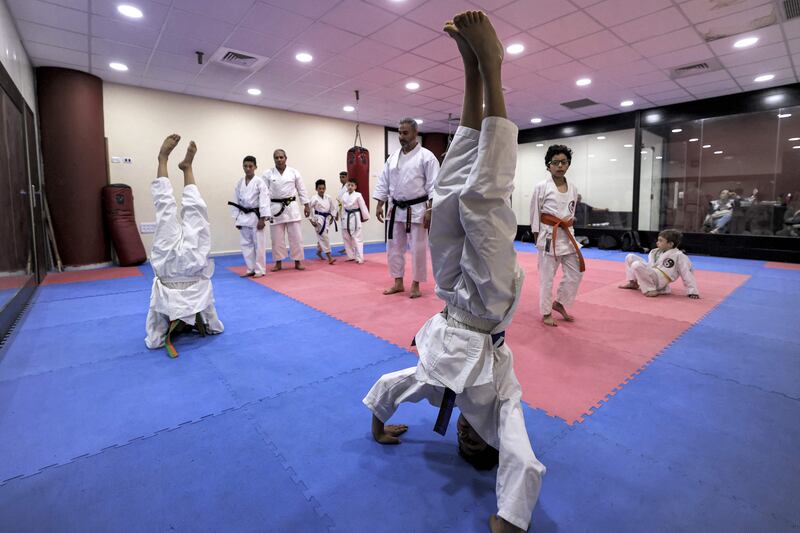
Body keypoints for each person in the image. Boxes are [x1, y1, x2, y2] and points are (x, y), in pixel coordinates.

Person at [363, 12, 544, 533]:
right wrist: (509, 519)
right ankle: (492, 66)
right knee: (484, 199)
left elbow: (397, 383)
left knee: (447, 197)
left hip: (448, 300)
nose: (466, 435)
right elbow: (525, 462)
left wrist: (378, 426)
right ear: (485, 439)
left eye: (461, 441)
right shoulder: (503, 405)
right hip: (488, 306)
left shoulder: (440, 387)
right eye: (475, 441)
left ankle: (467, 71)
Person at [145, 134, 224, 357]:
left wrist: (158, 336)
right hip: (186, 266)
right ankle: (171, 162)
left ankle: (179, 164)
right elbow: (214, 327)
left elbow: (154, 340)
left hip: (178, 265)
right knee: (192, 211)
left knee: (168, 210)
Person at [374, 117, 440, 298]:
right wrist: (380, 203)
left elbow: (435, 185)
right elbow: (384, 181)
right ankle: (398, 282)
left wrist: (430, 210)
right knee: (394, 248)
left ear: (415, 133)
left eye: (405, 133)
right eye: (400, 133)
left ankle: (416, 284)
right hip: (395, 209)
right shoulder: (393, 157)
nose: (401, 137)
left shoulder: (427, 156)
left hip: (417, 209)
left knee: (418, 248)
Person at [530, 145, 585, 327]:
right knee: (547, 278)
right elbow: (534, 213)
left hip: (568, 235)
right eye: (555, 162)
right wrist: (537, 237)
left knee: (576, 271)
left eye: (564, 162)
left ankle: (559, 302)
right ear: (548, 166)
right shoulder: (542, 187)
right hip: (548, 236)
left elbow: (571, 213)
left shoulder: (574, 189)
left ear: (568, 165)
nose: (560, 165)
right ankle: (546, 312)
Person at [262, 149, 310, 270]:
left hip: (291, 206)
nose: (279, 159)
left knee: (296, 237)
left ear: (286, 158)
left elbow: (302, 189)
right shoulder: (268, 174)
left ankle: (297, 261)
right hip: (275, 208)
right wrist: (264, 211)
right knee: (276, 238)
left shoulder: (294, 172)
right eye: (276, 157)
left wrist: (306, 204)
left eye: (281, 157)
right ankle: (278, 262)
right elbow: (263, 193)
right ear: (274, 159)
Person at [619, 229, 699, 298]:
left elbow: (687, 273)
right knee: (630, 256)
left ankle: (650, 289)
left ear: (670, 244)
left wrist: (692, 291)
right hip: (651, 274)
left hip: (660, 280)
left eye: (661, 241)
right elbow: (650, 265)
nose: (657, 243)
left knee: (636, 264)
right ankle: (633, 283)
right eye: (658, 240)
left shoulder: (678, 256)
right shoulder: (655, 251)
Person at [229, 155, 270, 278]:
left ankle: (260, 270)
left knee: (259, 245)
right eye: (245, 166)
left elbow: (264, 200)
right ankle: (250, 268)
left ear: (255, 167)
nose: (248, 168)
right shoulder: (240, 182)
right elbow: (235, 200)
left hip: (256, 217)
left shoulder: (259, 182)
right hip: (243, 217)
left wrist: (263, 218)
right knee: (246, 244)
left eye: (250, 166)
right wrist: (236, 218)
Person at [341, 178, 370, 263]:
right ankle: (350, 256)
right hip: (345, 216)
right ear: (346, 186)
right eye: (348, 185)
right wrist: (340, 216)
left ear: (355, 187)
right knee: (346, 237)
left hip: (355, 217)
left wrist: (365, 216)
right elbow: (342, 207)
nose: (350, 187)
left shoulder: (358, 195)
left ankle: (360, 257)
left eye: (352, 185)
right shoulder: (344, 195)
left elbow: (363, 206)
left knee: (357, 238)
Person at [308, 178, 337, 264]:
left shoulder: (328, 197)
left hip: (327, 219)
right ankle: (330, 257)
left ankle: (319, 251)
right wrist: (311, 220)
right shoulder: (314, 198)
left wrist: (332, 217)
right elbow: (309, 209)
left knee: (323, 236)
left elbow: (332, 208)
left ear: (325, 188)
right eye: (320, 188)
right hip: (319, 219)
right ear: (316, 189)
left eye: (323, 188)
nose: (321, 190)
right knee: (325, 237)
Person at [335, 170, 349, 256]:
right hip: (342, 211)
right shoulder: (342, 188)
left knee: (347, 230)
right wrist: (336, 212)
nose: (341, 179)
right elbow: (339, 201)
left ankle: (349, 248)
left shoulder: (348, 187)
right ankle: (346, 247)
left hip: (347, 211)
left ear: (347, 177)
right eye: (340, 177)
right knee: (343, 230)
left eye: (343, 177)